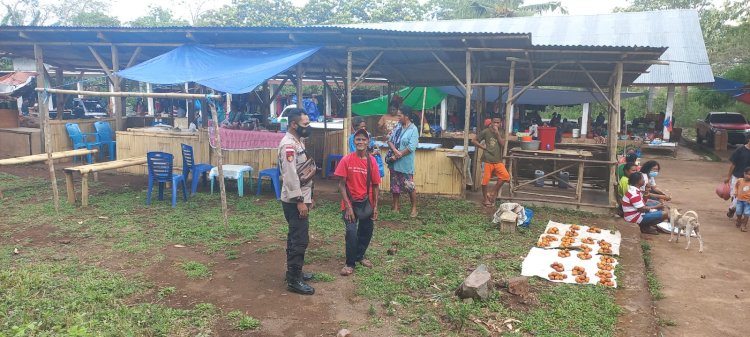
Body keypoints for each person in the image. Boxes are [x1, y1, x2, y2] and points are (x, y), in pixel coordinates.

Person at [278, 108, 316, 295]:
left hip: (301, 196)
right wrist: (300, 201)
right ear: (294, 125)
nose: (308, 127)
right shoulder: (288, 146)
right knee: (299, 240)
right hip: (294, 201)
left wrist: (310, 197)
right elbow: (291, 176)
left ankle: (295, 272)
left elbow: (304, 170)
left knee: (296, 236)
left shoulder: (297, 141)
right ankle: (294, 280)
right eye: (305, 124)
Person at [336, 128, 382, 276]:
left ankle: (360, 256)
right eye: (358, 139)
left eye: (363, 139)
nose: (360, 142)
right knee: (351, 232)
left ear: (368, 142)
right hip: (349, 203)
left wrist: (375, 207)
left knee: (366, 230)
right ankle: (350, 263)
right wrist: (348, 207)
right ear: (354, 142)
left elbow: (375, 186)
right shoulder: (346, 160)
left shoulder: (372, 161)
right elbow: (341, 185)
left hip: (366, 203)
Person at [386, 105, 419, 218]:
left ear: (407, 116)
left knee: (409, 186)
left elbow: (411, 147)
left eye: (400, 115)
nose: (398, 117)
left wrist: (399, 155)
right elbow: (389, 140)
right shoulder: (397, 127)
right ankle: (396, 206)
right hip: (394, 162)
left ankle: (414, 208)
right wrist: (395, 151)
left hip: (405, 163)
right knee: (395, 185)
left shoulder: (413, 129)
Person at [472, 116, 510, 207]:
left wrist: (497, 134)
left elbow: (503, 144)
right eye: (494, 122)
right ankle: (485, 199)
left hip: (497, 160)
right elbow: (474, 140)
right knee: (485, 181)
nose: (496, 124)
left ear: (501, 123)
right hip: (487, 159)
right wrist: (482, 147)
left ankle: (492, 193)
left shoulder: (501, 132)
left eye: (498, 123)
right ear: (491, 122)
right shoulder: (486, 131)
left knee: (506, 176)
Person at [725, 134, 750, 218]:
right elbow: (733, 164)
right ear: (748, 139)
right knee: (735, 195)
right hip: (737, 176)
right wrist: (728, 177)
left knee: (746, 196)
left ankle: (736, 210)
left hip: (749, 179)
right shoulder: (740, 150)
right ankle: (733, 208)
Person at [734, 167, 750, 232]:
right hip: (739, 200)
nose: (748, 176)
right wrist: (735, 192)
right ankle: (739, 220)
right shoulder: (739, 180)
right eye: (747, 174)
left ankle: (744, 226)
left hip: (748, 201)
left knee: (746, 213)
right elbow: (736, 187)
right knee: (738, 211)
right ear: (744, 173)